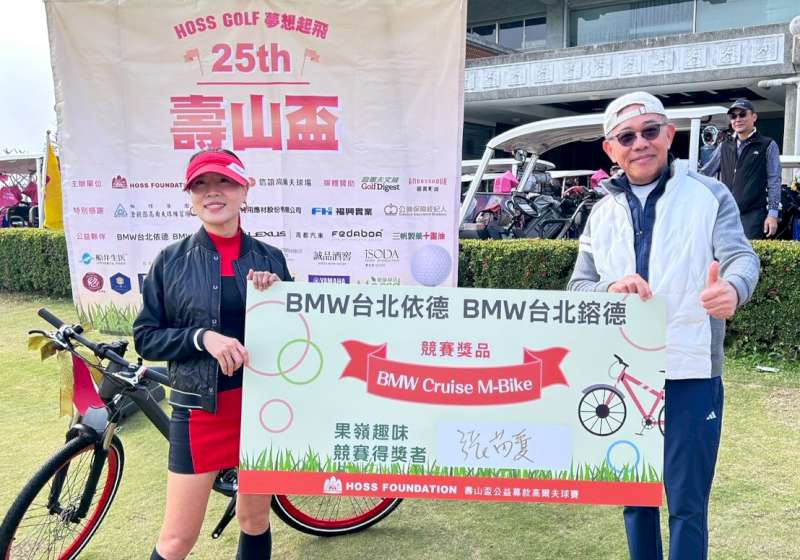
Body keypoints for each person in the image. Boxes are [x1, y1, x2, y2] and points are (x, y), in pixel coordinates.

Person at [568, 91, 759, 560]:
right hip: (625, 371)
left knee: (688, 504)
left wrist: (733, 288)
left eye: (650, 131)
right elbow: (579, 286)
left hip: (692, 369)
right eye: (626, 137)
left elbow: (741, 257)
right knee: (636, 501)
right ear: (610, 149)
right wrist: (609, 289)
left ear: (669, 135)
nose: (640, 143)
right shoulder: (600, 212)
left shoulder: (708, 195)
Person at [134, 149, 292, 560]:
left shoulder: (270, 258)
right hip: (200, 411)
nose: (212, 192)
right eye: (200, 185)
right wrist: (201, 338)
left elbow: (294, 337)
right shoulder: (170, 262)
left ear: (244, 190)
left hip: (261, 409)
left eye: (224, 182)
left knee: (254, 519)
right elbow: (146, 338)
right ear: (190, 197)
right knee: (177, 539)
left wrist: (274, 294)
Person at [700, 98, 781, 239]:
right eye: (733, 116)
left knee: (747, 253)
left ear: (754, 117)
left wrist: (772, 214)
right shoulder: (724, 145)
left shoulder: (767, 145)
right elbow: (705, 173)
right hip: (726, 214)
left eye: (742, 114)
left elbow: (774, 181)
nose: (737, 119)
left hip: (753, 216)